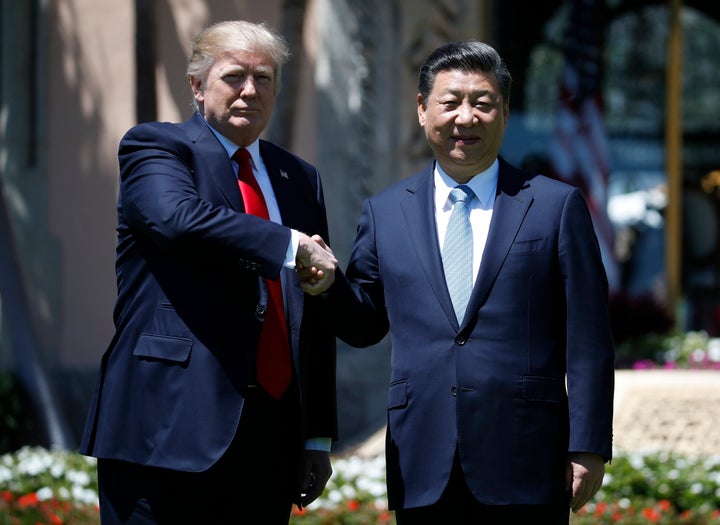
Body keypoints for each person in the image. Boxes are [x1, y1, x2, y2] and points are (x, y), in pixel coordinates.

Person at [315, 40, 615, 524]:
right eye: (450, 102)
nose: (466, 117)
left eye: (482, 103)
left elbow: (589, 338)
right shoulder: (385, 212)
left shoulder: (556, 206)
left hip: (528, 458)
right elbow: (365, 324)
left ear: (505, 112)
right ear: (421, 109)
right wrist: (327, 285)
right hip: (423, 460)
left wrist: (589, 444)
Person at [80, 20, 338, 524]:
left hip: (270, 436)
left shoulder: (299, 178)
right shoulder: (157, 147)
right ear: (197, 87)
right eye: (233, 76)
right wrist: (289, 244)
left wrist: (315, 435)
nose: (249, 90)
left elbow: (311, 313)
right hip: (164, 425)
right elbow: (177, 220)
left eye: (263, 78)